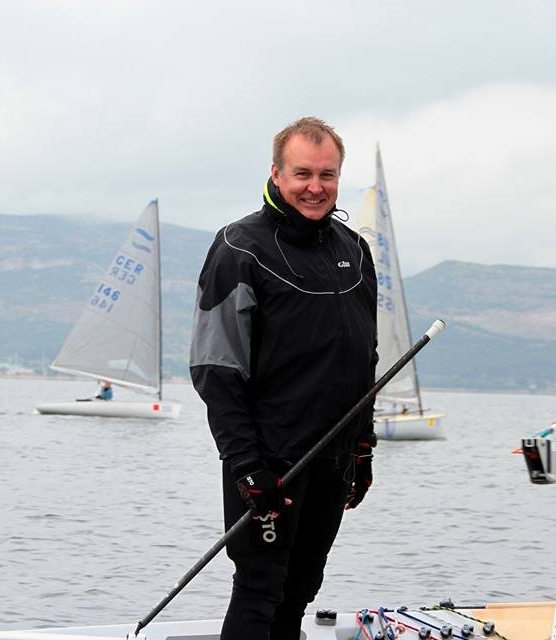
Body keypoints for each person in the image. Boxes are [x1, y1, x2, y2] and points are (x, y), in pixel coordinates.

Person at [190, 116, 378, 640]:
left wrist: (363, 447)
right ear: (276, 174)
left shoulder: (353, 250)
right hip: (270, 462)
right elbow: (214, 369)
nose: (315, 187)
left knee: (301, 589)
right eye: (302, 174)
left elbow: (364, 359)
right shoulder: (238, 248)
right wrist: (248, 469)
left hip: (333, 459)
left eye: (327, 174)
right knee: (260, 589)